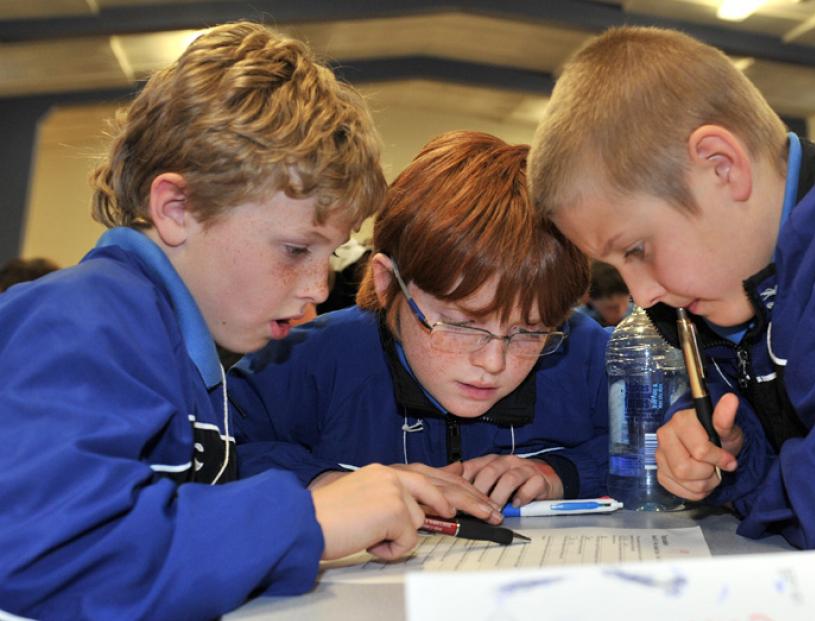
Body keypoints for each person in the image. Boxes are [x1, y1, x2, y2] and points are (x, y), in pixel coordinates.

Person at [0, 22, 471, 620]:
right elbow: (47, 556)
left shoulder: (184, 351)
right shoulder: (77, 324)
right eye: (297, 249)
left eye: (333, 255)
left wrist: (330, 491)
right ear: (177, 209)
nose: (319, 286)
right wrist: (308, 521)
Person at [527, 26, 815, 554]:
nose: (642, 295)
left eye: (636, 248)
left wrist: (752, 493)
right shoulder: (725, 290)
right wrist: (729, 455)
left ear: (721, 166)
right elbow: (809, 468)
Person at [229, 131, 610, 509]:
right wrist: (325, 483)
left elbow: (658, 441)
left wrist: (563, 472)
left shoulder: (586, 353)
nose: (493, 363)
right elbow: (220, 454)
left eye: (529, 332)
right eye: (461, 325)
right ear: (386, 282)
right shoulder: (301, 363)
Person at [577, 260, 632, 327]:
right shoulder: (579, 322)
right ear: (588, 299)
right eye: (611, 308)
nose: (620, 312)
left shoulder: (639, 315)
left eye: (624, 305)